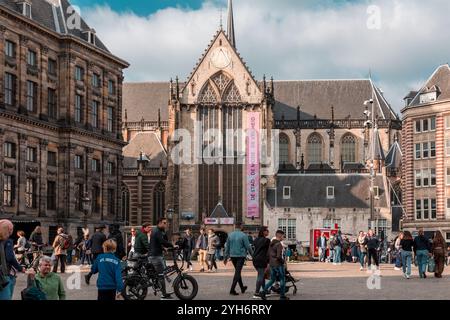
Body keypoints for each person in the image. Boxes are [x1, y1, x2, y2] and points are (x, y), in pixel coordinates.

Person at [224, 222, 254, 296]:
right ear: (241, 227)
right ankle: (232, 289)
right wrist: (253, 255)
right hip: (240, 256)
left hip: (232, 255)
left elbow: (227, 247)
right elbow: (248, 247)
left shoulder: (230, 235)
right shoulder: (243, 235)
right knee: (237, 272)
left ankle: (242, 287)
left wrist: (225, 257)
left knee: (238, 271)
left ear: (235, 226)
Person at [149, 217, 175, 300]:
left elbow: (156, 243)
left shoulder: (157, 231)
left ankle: (158, 287)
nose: (166, 224)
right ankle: (164, 295)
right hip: (156, 256)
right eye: (164, 223)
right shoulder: (157, 231)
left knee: (158, 275)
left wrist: (164, 248)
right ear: (159, 223)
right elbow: (162, 241)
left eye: (166, 223)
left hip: (154, 255)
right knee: (161, 275)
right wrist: (172, 245)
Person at [0, 219, 25, 300]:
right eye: (11, 229)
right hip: (3, 275)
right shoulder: (8, 241)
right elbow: (10, 257)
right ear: (9, 230)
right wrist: (20, 268)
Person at [261, 230, 289, 300]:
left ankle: (263, 292)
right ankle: (282, 296)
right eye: (283, 236)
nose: (283, 237)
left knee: (272, 279)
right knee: (282, 279)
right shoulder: (279, 244)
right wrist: (283, 262)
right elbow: (279, 256)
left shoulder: (271, 244)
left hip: (271, 264)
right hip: (278, 264)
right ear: (280, 236)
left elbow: (268, 255)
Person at [252, 227, 270, 299]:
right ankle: (256, 292)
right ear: (263, 232)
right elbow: (268, 252)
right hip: (262, 259)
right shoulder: (267, 240)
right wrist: (268, 261)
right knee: (260, 275)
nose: (268, 232)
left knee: (261, 275)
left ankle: (264, 290)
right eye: (267, 231)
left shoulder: (256, 240)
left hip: (255, 259)